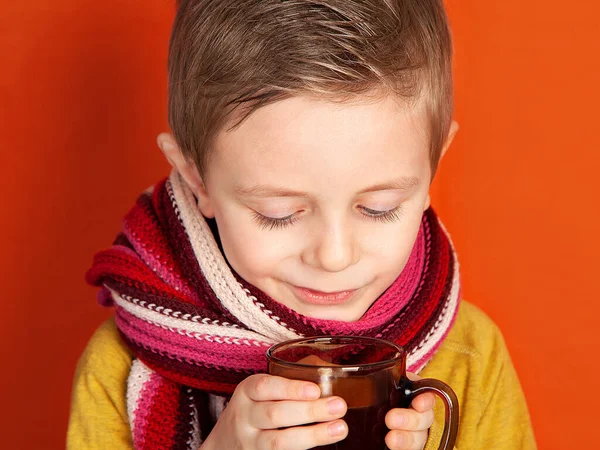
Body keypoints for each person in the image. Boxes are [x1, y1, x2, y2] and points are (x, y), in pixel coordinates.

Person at [67, 0, 537, 449]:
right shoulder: (119, 365)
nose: (334, 256)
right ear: (197, 180)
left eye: (379, 207)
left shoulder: (472, 355)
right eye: (280, 214)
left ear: (433, 168)